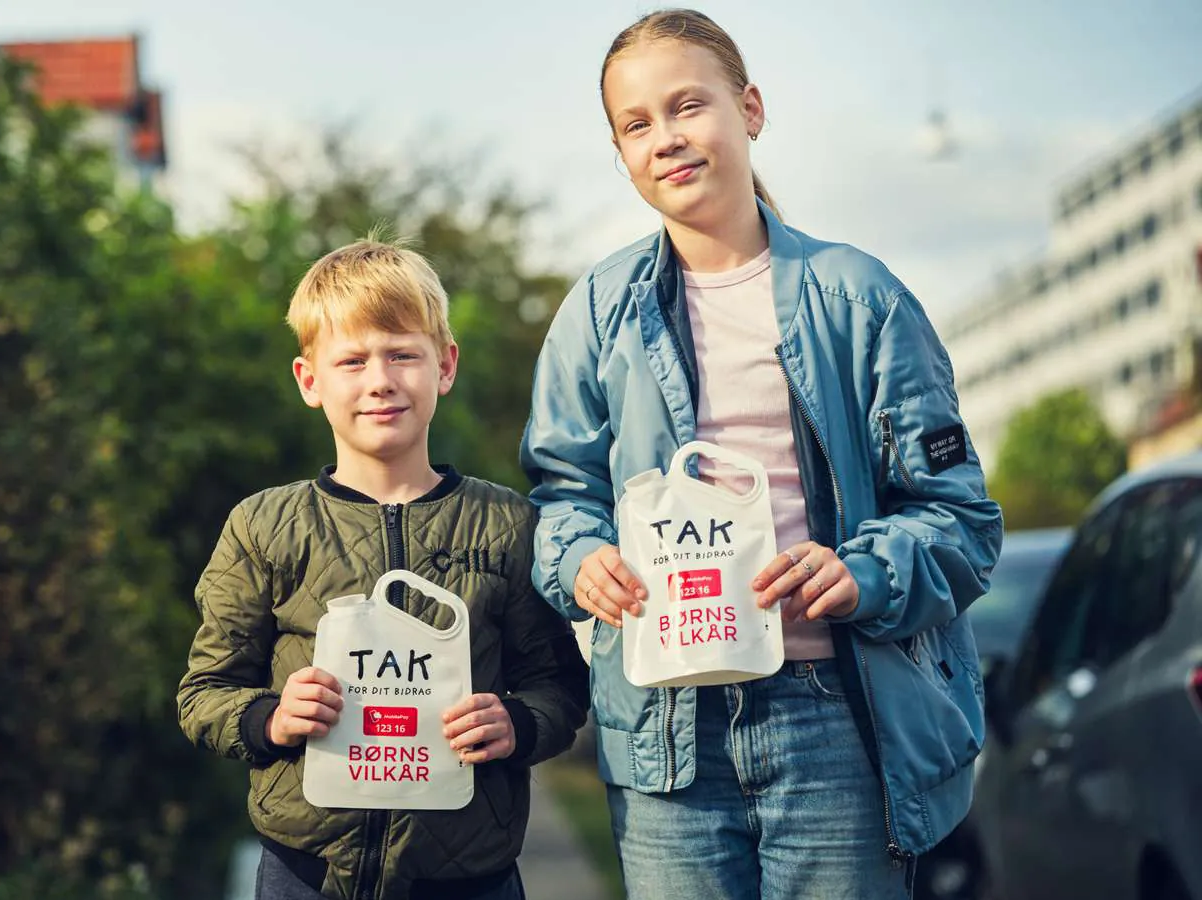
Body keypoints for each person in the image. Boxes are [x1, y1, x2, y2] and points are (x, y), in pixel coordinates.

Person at [519, 9, 1004, 899]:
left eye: (687, 105)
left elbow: (959, 518)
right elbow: (558, 491)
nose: (665, 138)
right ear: (621, 152)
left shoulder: (860, 298)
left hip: (834, 725)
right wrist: (581, 556)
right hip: (665, 737)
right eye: (637, 124)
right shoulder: (596, 311)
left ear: (750, 110)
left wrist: (864, 575)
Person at [178, 237, 589, 900]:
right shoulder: (262, 527)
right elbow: (204, 695)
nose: (381, 380)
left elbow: (562, 688)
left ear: (445, 366)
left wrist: (515, 723)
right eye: (352, 360)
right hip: (303, 875)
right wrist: (273, 719)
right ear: (310, 380)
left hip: (470, 878)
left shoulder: (507, 524)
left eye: (404, 354)